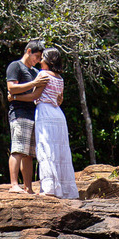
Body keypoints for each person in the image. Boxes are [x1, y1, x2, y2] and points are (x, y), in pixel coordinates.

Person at [5, 40, 49, 193]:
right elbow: (11, 88)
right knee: (18, 149)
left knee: (29, 154)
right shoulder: (15, 66)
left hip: (33, 114)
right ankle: (14, 184)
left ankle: (28, 188)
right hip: (19, 113)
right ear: (28, 51)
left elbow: (35, 95)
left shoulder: (35, 72)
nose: (37, 61)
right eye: (36, 56)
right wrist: (33, 83)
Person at [33, 48, 78, 199]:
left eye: (43, 59)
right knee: (60, 151)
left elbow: (35, 95)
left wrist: (14, 97)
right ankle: (65, 189)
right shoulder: (60, 78)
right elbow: (60, 99)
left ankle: (49, 188)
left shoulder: (43, 75)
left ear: (48, 61)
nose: (40, 61)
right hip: (58, 114)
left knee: (46, 148)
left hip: (45, 112)